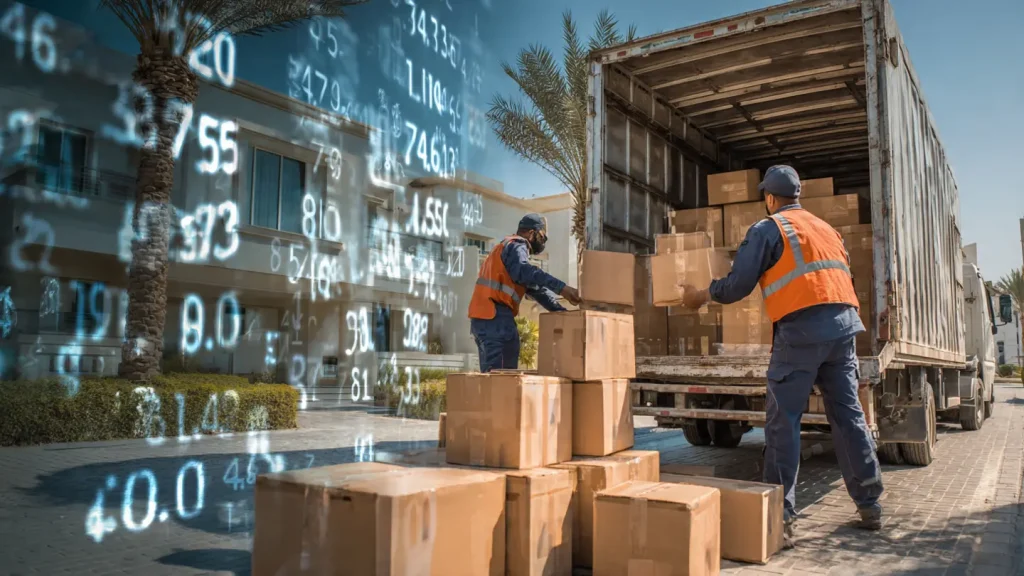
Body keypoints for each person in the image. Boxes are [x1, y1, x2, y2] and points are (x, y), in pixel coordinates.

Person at [677, 165, 884, 544]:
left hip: (801, 332)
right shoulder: (825, 228)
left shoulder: (768, 229)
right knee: (849, 416)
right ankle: (870, 504)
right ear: (798, 195)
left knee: (783, 421)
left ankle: (780, 513)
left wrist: (701, 295)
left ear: (769, 199)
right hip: (844, 330)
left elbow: (738, 284)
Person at [468, 213, 581, 372]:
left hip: (483, 319)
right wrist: (562, 288)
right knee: (502, 380)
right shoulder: (517, 245)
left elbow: (537, 290)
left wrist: (565, 314)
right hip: (496, 316)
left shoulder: (504, 250)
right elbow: (525, 271)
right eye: (542, 237)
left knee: (492, 380)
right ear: (531, 233)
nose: (542, 243)